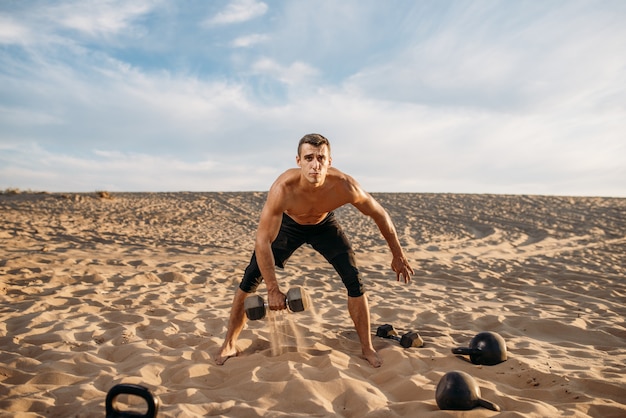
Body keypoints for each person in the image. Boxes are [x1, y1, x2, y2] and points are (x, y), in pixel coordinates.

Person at [215, 133, 414, 368]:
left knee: (354, 280)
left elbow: (380, 215)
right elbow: (262, 241)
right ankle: (229, 342)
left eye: (321, 158)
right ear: (298, 161)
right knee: (250, 278)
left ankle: (367, 347)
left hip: (324, 225)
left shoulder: (344, 185)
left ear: (330, 161)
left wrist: (398, 255)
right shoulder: (283, 188)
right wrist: (273, 289)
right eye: (309, 157)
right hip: (289, 226)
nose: (315, 164)